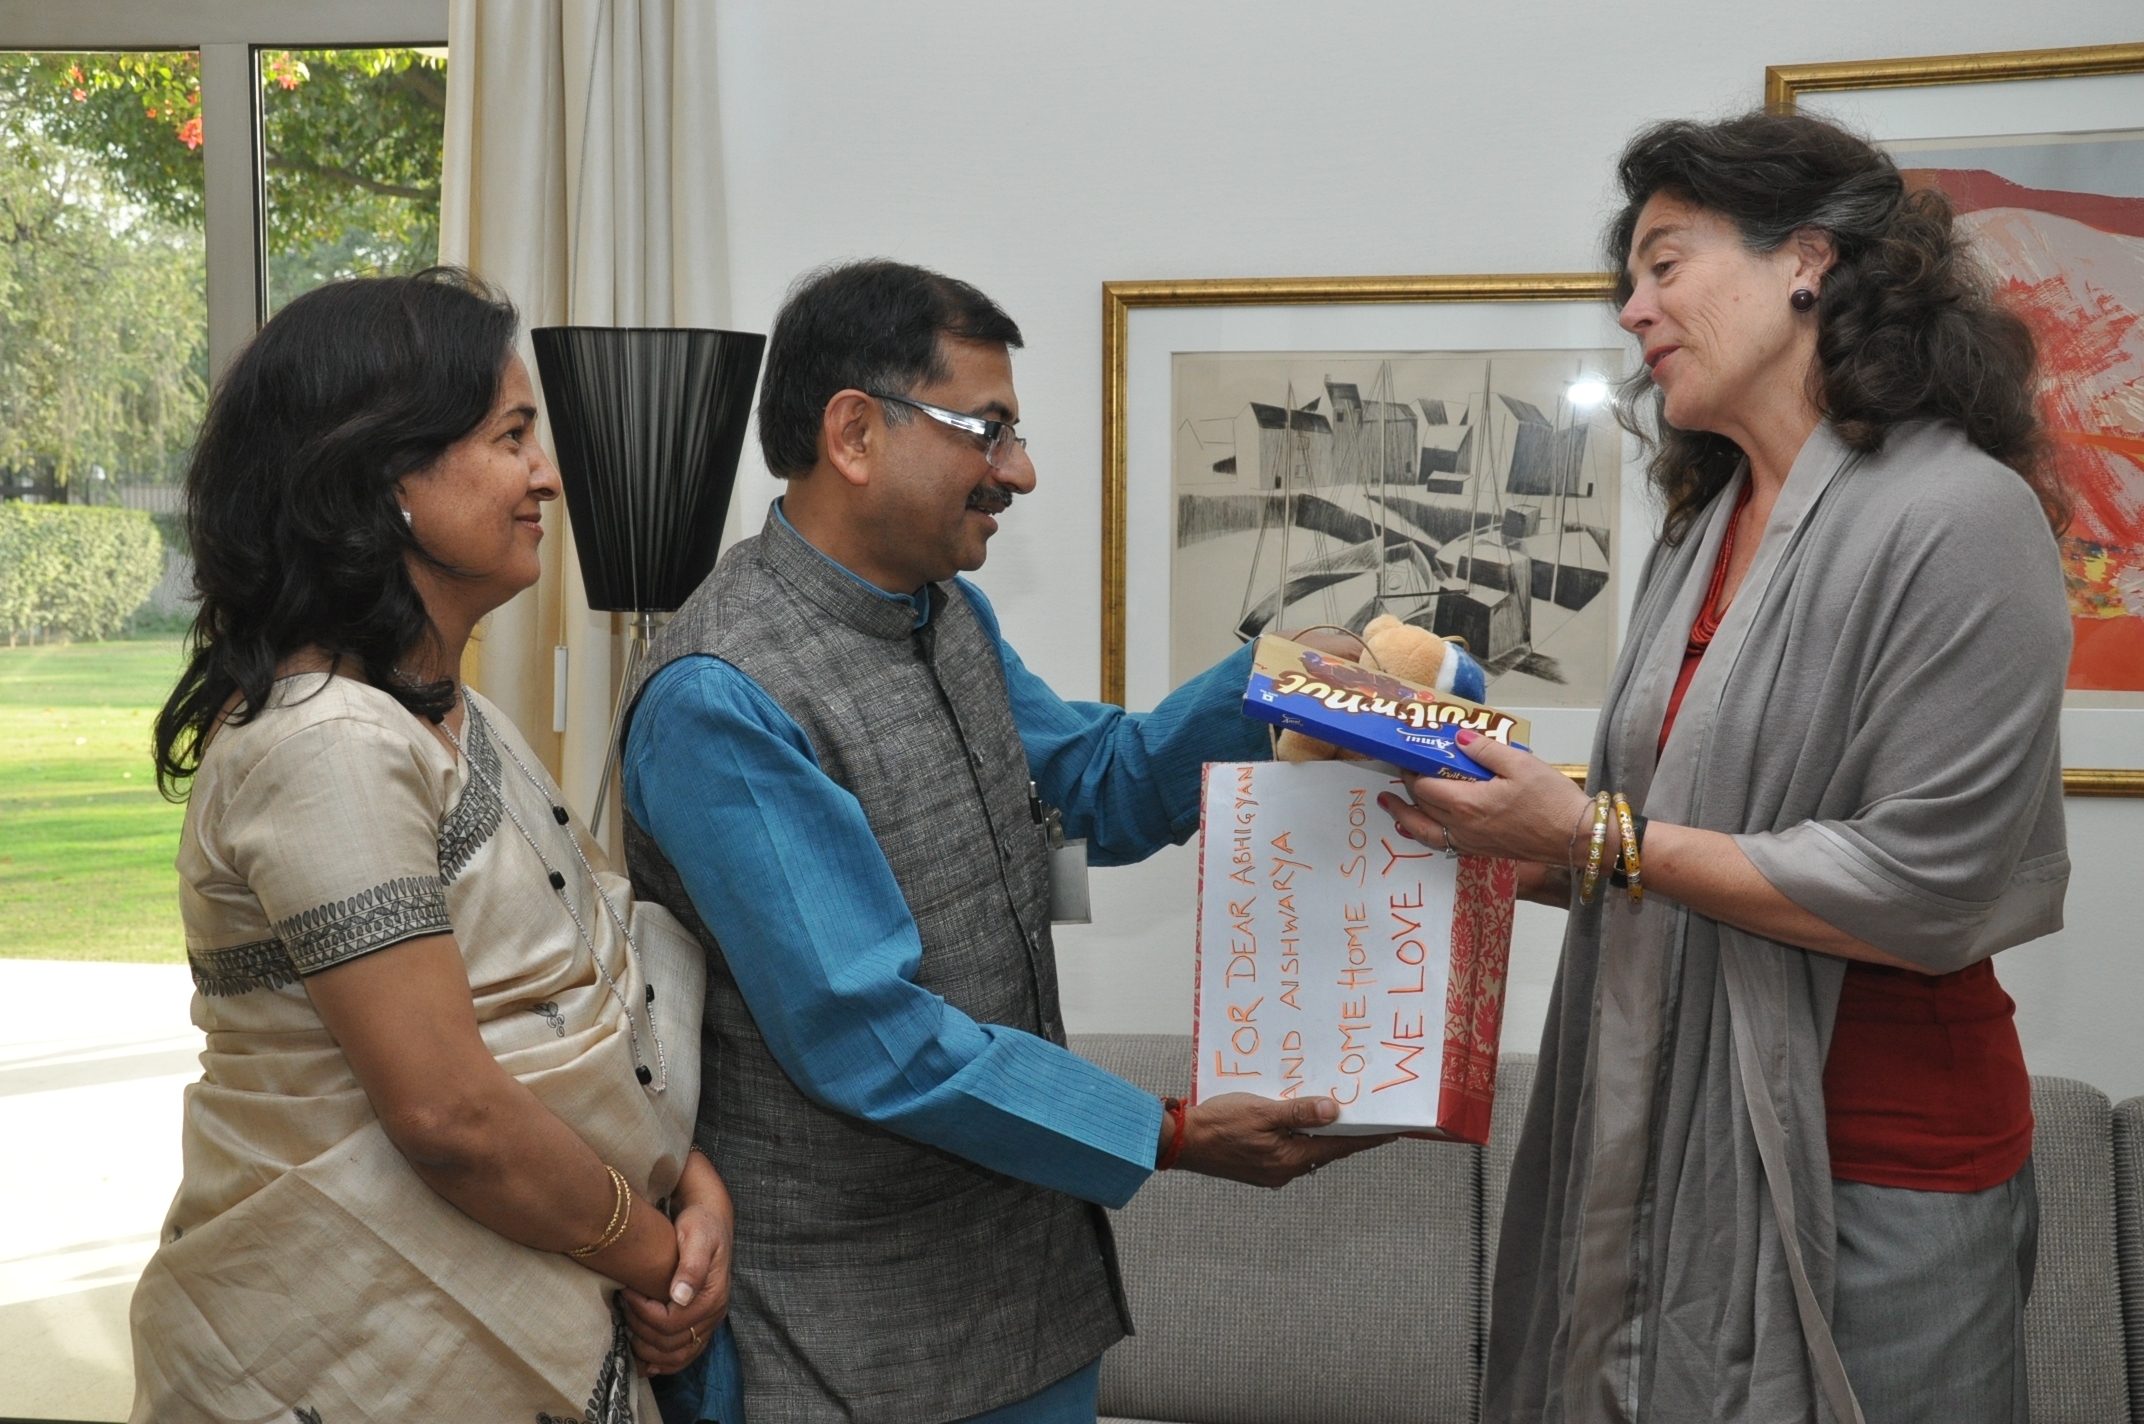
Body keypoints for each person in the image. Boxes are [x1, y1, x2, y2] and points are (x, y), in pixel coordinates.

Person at [1381, 112, 2068, 1424]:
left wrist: (1588, 837)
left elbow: (1924, 884)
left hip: (1877, 1162)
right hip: (1657, 1133)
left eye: (1665, 264)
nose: (1635, 312)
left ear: (1806, 260)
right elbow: (1642, 841)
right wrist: (1464, 810)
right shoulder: (1704, 531)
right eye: (1629, 283)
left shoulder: (1962, 516)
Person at [621, 260, 1392, 1422]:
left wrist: (1278, 677)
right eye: (989, 431)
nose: (1019, 471)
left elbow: (1095, 782)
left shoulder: (946, 614)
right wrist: (1167, 1130)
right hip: (842, 1339)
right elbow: (870, 1039)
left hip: (1032, 1298)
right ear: (853, 433)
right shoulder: (719, 697)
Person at [135, 269, 736, 1423]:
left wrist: (689, 1181)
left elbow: (596, 980)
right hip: (349, 1354)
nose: (547, 475)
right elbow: (451, 1118)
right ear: (384, 477)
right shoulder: (323, 748)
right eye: (513, 435)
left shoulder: (448, 713)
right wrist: (655, 1244)